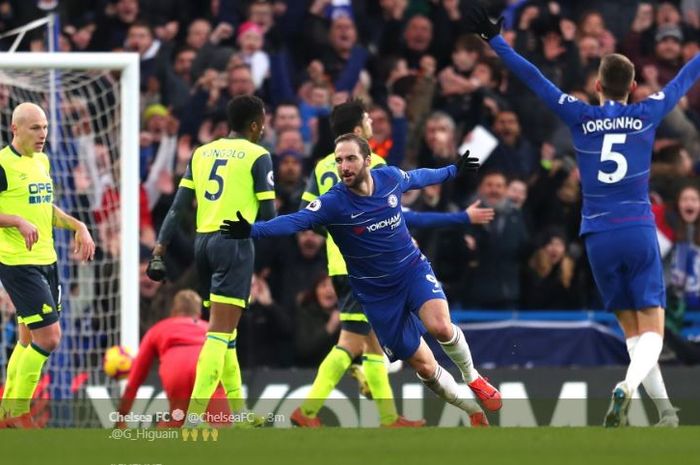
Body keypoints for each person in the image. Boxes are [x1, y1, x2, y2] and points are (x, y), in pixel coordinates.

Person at [464, 3, 696, 427]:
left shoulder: (580, 115)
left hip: (597, 236)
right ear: (633, 86)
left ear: (597, 85)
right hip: (638, 229)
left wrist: (495, 41)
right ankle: (627, 386)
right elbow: (685, 78)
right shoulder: (647, 112)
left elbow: (534, 78)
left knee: (633, 332)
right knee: (654, 332)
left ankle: (665, 413)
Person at [221, 134, 502, 427]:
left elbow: (418, 177)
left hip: (411, 270)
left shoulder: (390, 178)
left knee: (441, 326)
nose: (344, 166)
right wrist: (252, 230)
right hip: (376, 293)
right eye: (339, 160)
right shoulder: (333, 202)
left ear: (368, 160)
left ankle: (474, 378)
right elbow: (295, 221)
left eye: (350, 158)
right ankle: (472, 409)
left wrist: (453, 170)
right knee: (425, 366)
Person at [295, 100, 495, 428]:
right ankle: (310, 409)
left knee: (371, 343)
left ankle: (388, 416)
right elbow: (404, 215)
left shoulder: (321, 166)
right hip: (368, 269)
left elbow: (309, 216)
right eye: (368, 118)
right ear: (359, 130)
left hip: (339, 266)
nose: (373, 120)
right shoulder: (373, 168)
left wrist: (340, 226)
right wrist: (459, 218)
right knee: (351, 341)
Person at [146, 94, 276, 428]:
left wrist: (159, 249)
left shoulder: (202, 152)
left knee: (226, 331)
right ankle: (193, 417)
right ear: (254, 124)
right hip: (234, 243)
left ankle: (240, 413)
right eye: (263, 121)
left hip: (203, 244)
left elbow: (177, 208)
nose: (264, 128)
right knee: (218, 333)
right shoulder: (258, 155)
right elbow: (268, 215)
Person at [0, 102, 95, 427]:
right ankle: (19, 413)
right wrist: (16, 221)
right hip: (19, 264)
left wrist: (78, 226)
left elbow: (45, 209)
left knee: (26, 340)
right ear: (15, 129)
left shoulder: (42, 161)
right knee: (49, 338)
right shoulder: (2, 164)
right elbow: (21, 216)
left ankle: (6, 411)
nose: (42, 134)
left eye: (45, 127)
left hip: (47, 260)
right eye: (35, 128)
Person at [117, 290, 235, 428]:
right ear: (199, 313)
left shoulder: (157, 330)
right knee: (221, 426)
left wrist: (121, 417)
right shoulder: (212, 329)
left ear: (173, 312)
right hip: (208, 364)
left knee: (177, 422)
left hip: (176, 368)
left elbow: (135, 378)